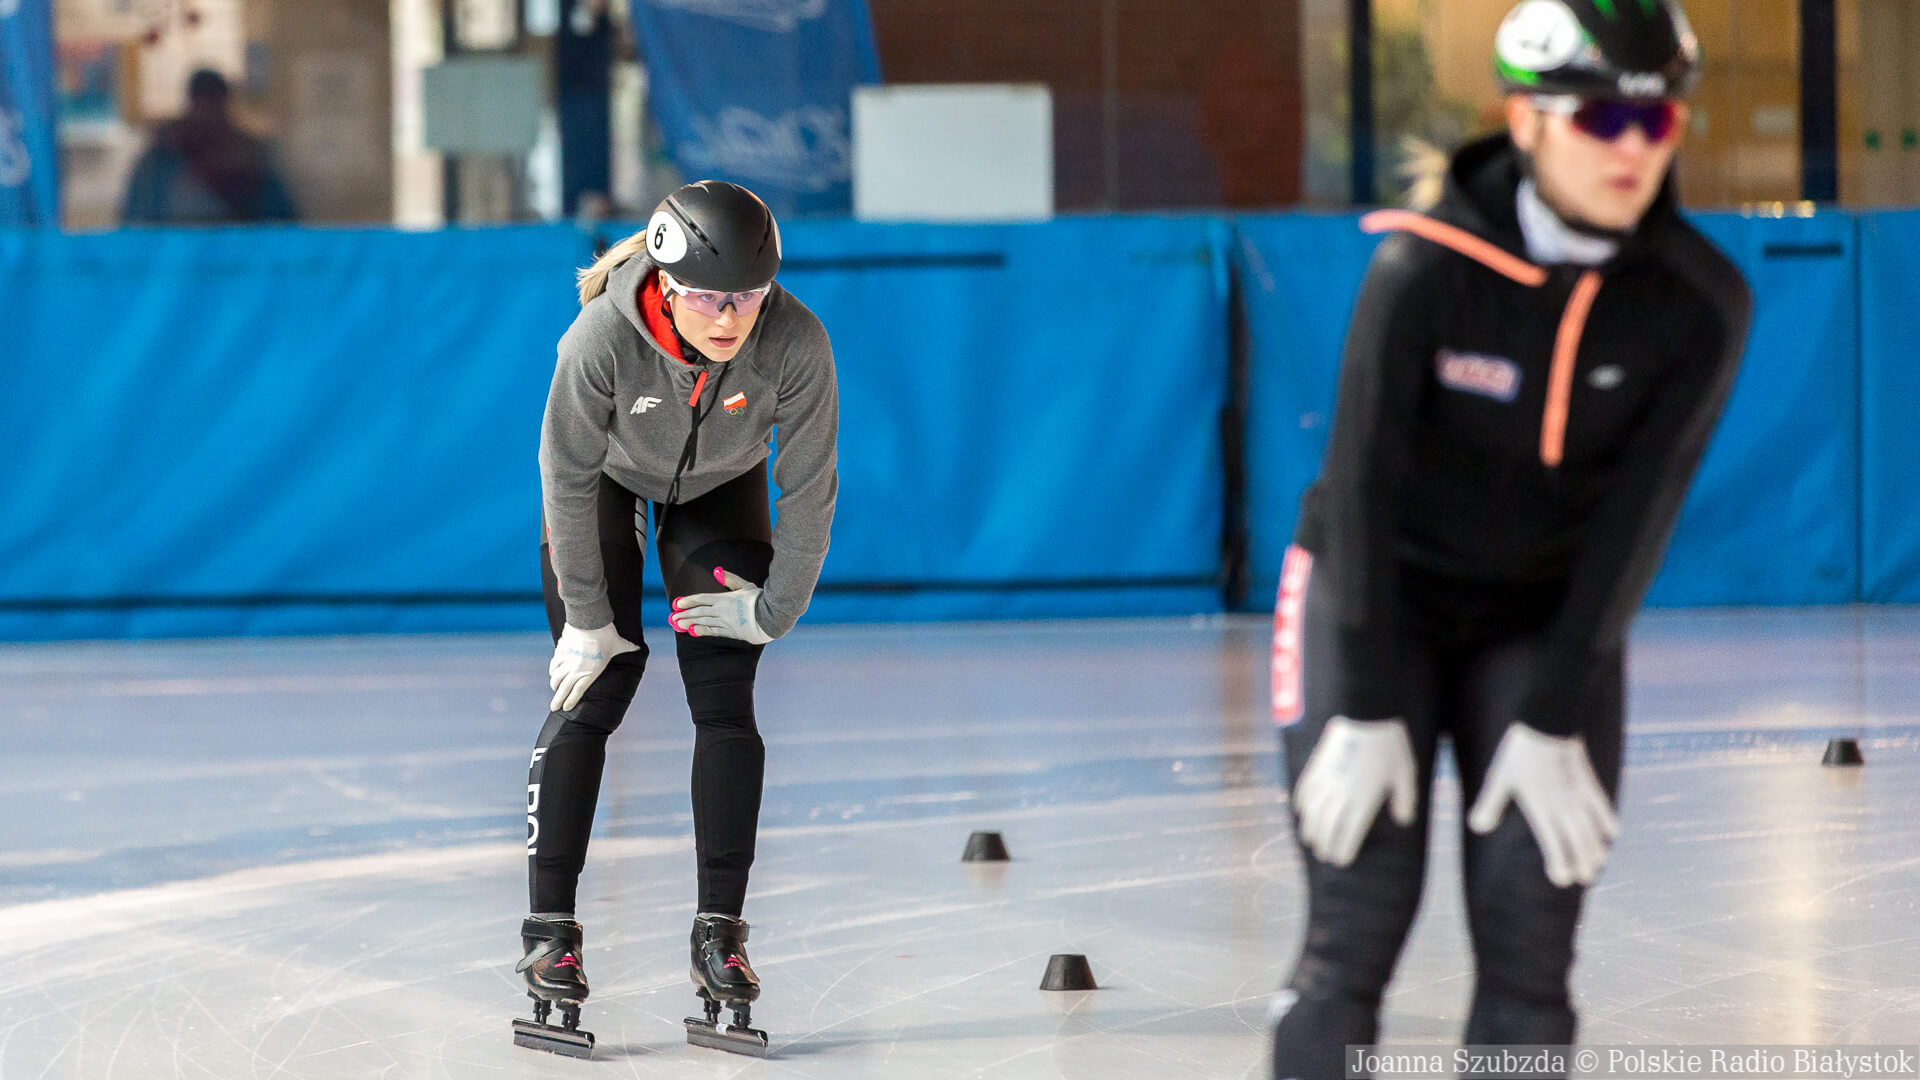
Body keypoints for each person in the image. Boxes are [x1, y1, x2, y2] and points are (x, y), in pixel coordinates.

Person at [1267, 2, 1750, 1076]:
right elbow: (1360, 491)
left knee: (1531, 965)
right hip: (1372, 597)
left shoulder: (1698, 303)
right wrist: (1372, 705)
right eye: (1599, 122)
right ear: (1526, 122)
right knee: (1352, 936)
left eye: (1656, 124)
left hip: (1541, 618)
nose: (1632, 150)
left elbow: (1635, 528)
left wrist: (1554, 712)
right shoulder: (1422, 270)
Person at [511, 180, 838, 1059]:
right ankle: (549, 933)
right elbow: (565, 472)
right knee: (599, 681)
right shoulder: (600, 340)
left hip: (719, 486)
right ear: (665, 281)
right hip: (607, 485)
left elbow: (809, 487)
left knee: (726, 694)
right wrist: (587, 615)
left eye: (748, 298)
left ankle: (719, 934)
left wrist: (775, 612)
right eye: (708, 297)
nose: (729, 319)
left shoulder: (798, 343)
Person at [120, 69, 296, 225]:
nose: (207, 114)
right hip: (173, 256)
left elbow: (279, 221)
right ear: (191, 104)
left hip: (237, 255)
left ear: (225, 106)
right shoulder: (161, 159)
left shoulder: (251, 157)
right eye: (201, 101)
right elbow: (135, 223)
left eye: (213, 102)